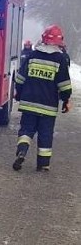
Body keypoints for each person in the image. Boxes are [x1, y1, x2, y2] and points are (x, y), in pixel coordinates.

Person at [12, 25, 73, 172]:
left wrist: (19, 94)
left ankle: (22, 151)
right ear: (59, 41)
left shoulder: (32, 56)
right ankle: (43, 164)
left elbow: (20, 79)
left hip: (29, 103)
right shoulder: (60, 59)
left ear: (44, 39)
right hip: (48, 106)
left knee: (26, 130)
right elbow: (64, 85)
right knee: (45, 135)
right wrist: (66, 100)